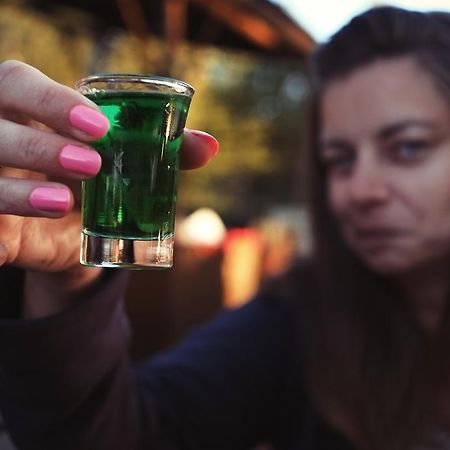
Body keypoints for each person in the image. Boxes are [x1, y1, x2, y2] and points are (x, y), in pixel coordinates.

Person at [0, 5, 449, 449]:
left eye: (408, 147)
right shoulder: (298, 322)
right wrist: (65, 276)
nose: (360, 190)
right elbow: (127, 434)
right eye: (339, 159)